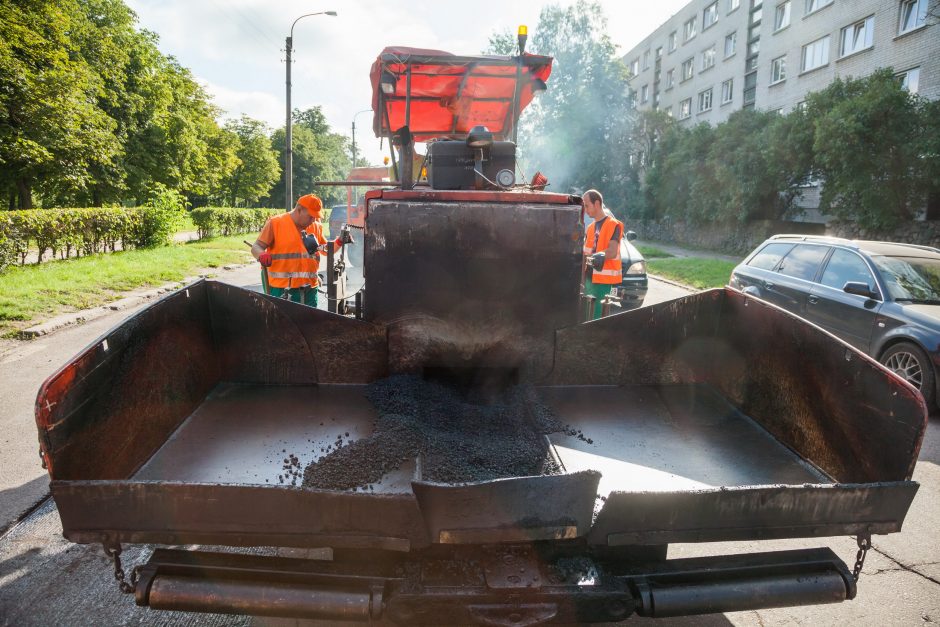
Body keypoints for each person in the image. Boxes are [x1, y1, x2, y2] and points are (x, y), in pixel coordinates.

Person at [250, 194, 343, 307]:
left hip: (309, 288)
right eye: (311, 216)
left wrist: (340, 241)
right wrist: (261, 255)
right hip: (279, 288)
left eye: (315, 216)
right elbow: (256, 246)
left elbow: (325, 250)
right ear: (299, 210)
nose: (313, 220)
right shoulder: (275, 223)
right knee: (282, 322)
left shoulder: (315, 227)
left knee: (310, 321)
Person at [581, 189, 623, 320]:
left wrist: (596, 256)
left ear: (597, 204)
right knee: (586, 317)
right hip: (588, 280)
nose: (585, 210)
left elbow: (612, 251)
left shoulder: (613, 225)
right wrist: (581, 280)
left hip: (603, 282)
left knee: (597, 318)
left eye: (587, 205)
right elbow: (585, 255)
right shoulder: (590, 228)